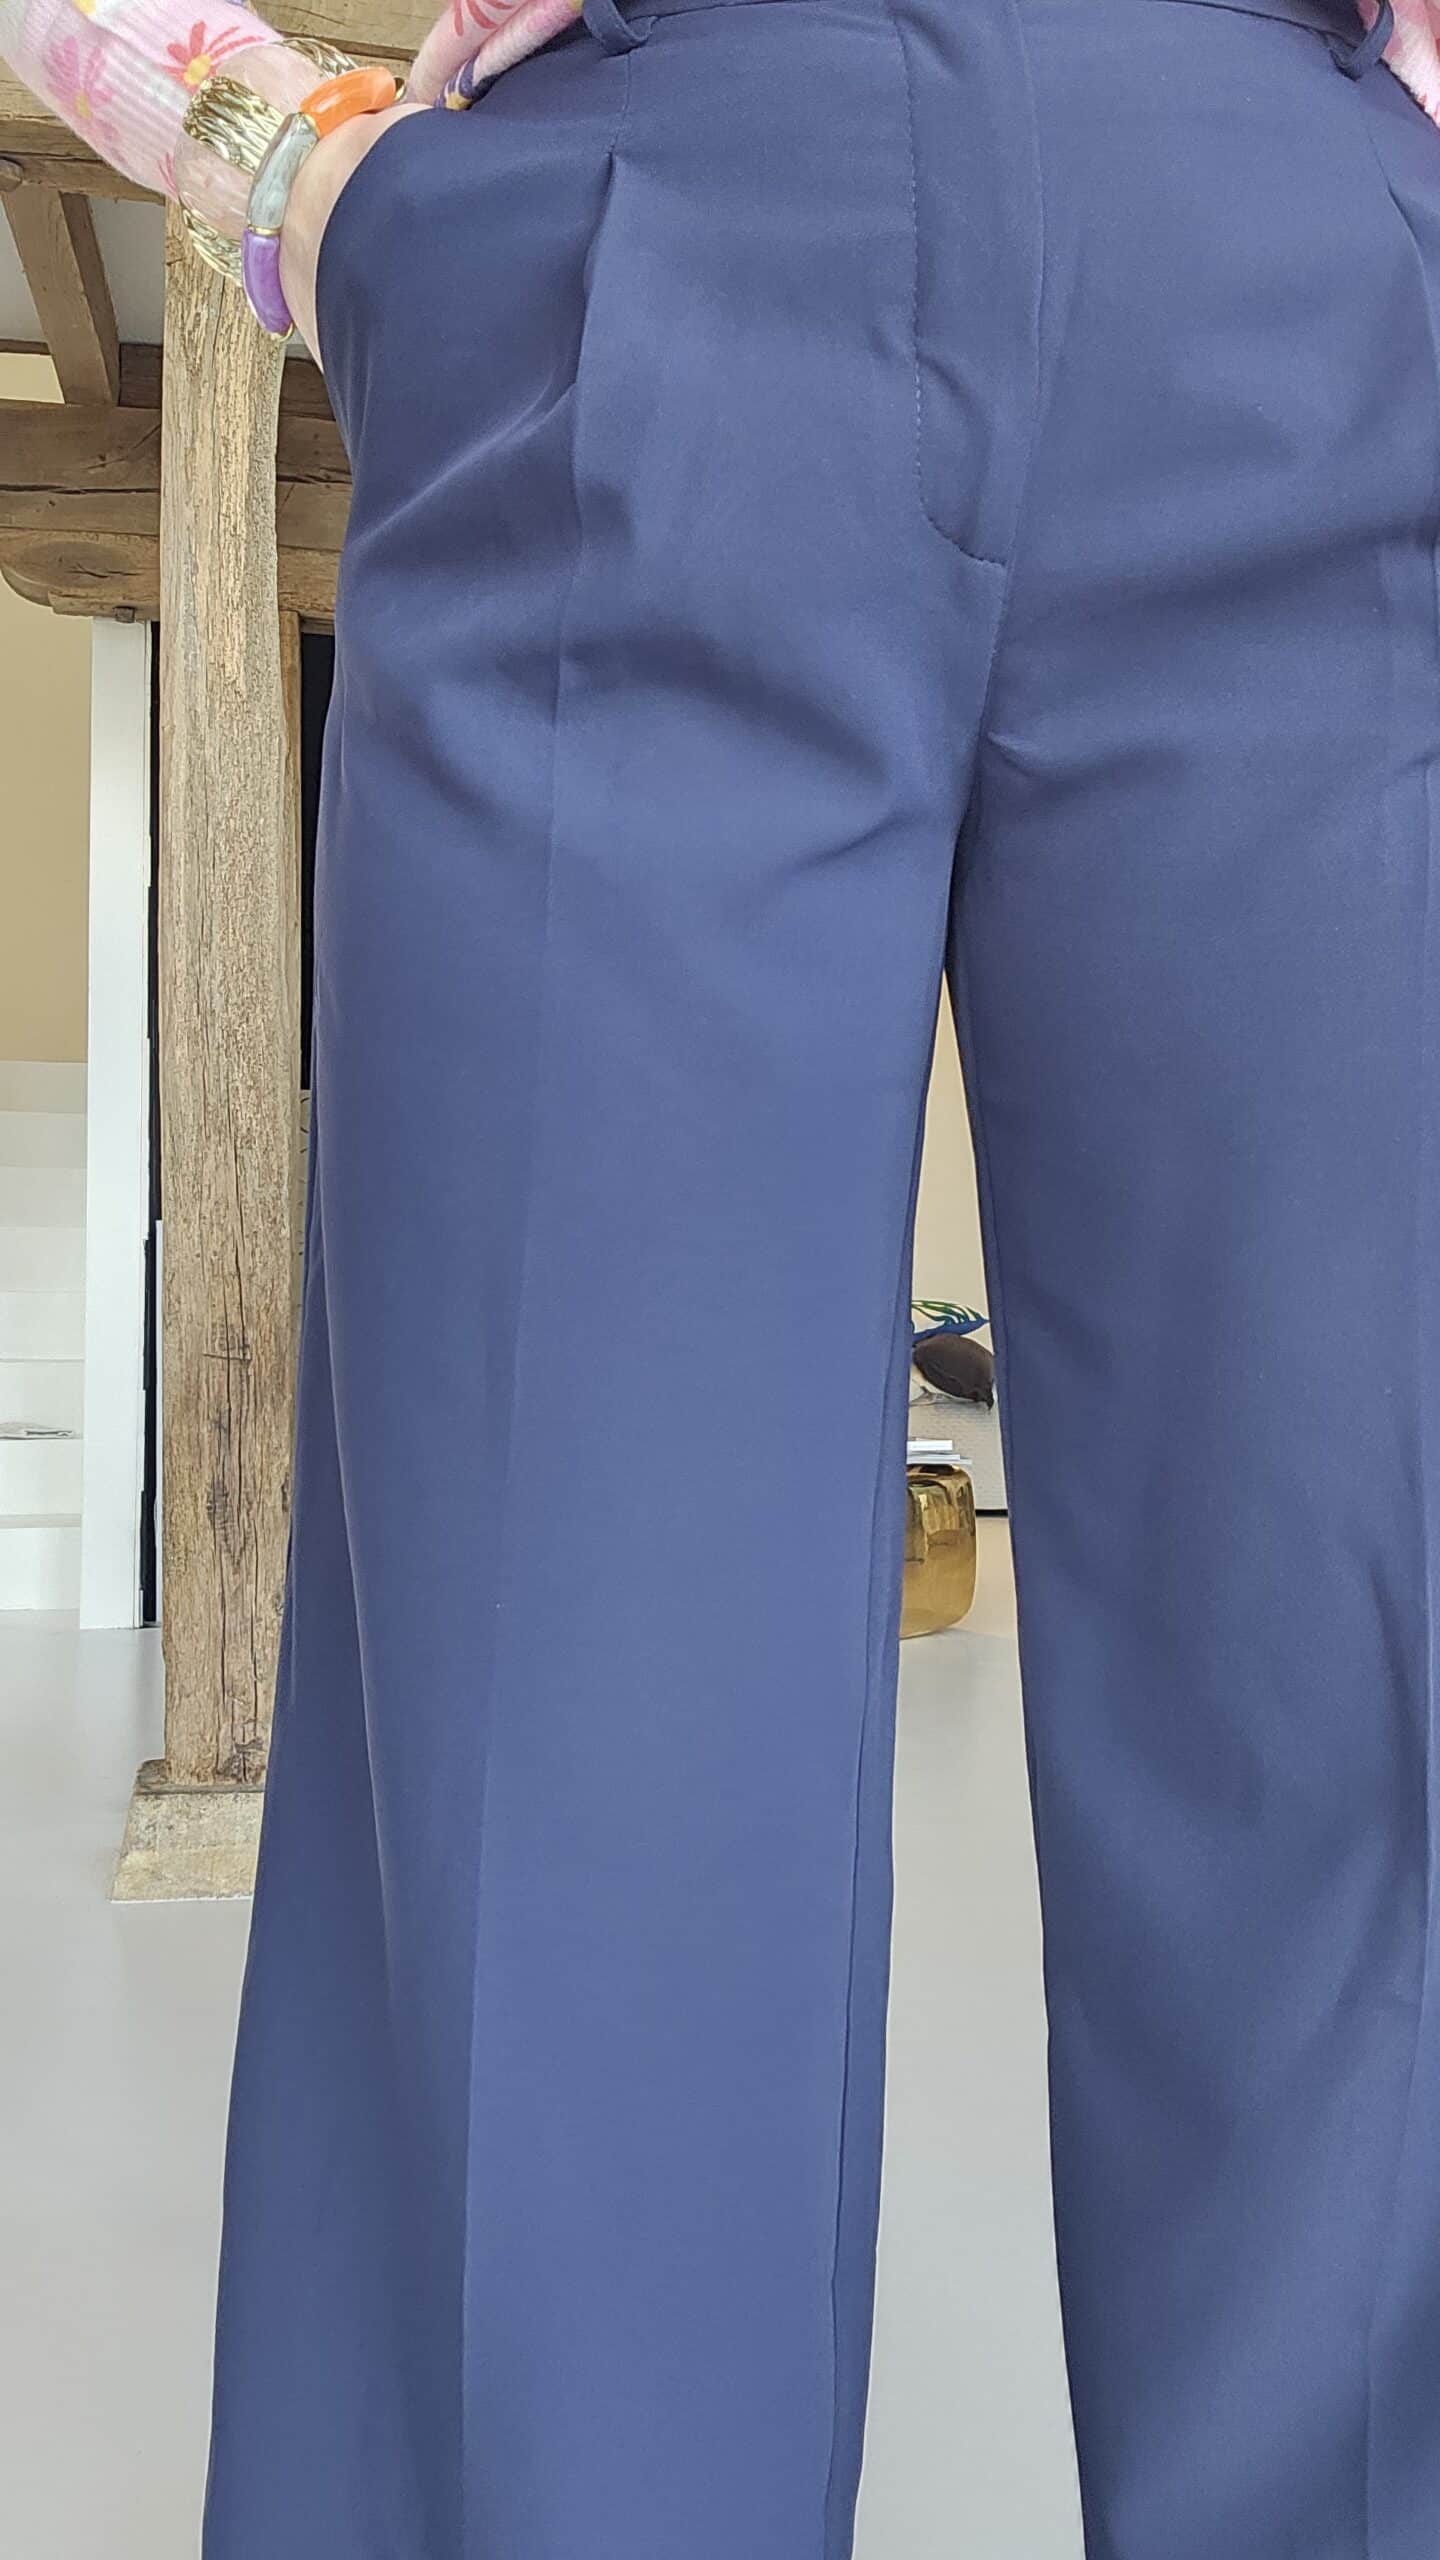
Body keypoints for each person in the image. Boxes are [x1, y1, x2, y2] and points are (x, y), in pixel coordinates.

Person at [3, 0, 1440, 2551]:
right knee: (570, 1738)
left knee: (1359, 1705)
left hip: (1305, 266)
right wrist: (262, 143)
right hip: (648, 238)